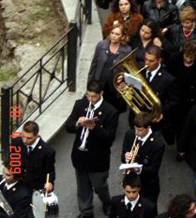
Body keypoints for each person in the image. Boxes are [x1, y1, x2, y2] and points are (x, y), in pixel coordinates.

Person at [65, 81, 119, 217]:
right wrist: (78, 123)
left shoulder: (110, 111)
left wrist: (95, 128)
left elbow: (109, 138)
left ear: (101, 94)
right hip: (80, 155)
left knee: (99, 186)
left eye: (93, 97)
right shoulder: (80, 104)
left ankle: (106, 201)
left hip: (98, 157)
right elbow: (68, 126)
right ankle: (86, 212)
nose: (90, 99)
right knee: (83, 187)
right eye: (88, 95)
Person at [121, 112, 165, 203]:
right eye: (135, 129)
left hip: (147, 185)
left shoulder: (158, 144)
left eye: (140, 130)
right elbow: (123, 155)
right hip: (131, 182)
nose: (136, 133)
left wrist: (139, 169)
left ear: (148, 128)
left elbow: (154, 169)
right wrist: (126, 157)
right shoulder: (129, 134)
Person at [167, 40, 196, 139]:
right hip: (178, 98)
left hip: (194, 100)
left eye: (191, 57)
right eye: (186, 56)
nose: (188, 59)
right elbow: (169, 79)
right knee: (178, 127)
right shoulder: (174, 59)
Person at [87, 23, 132, 110]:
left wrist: (123, 79)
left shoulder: (127, 50)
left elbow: (129, 70)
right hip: (100, 84)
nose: (114, 36)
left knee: (112, 110)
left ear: (122, 37)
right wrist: (89, 85)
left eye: (117, 34)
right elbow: (94, 66)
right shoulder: (101, 45)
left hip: (114, 87)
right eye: (112, 33)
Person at [11, 121, 55, 192]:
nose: (24, 140)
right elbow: (12, 162)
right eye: (23, 136)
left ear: (36, 136)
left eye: (29, 138)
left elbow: (49, 171)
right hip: (20, 186)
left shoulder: (47, 151)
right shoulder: (16, 143)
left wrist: (49, 182)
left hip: (36, 188)